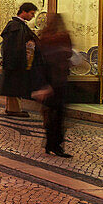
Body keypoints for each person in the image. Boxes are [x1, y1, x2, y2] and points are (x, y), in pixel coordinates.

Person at [32, 13, 74, 157]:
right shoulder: (62, 37)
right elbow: (68, 54)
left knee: (51, 113)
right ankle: (55, 145)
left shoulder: (44, 37)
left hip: (50, 81)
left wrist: (42, 84)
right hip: (58, 81)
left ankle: (51, 144)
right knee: (58, 114)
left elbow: (39, 61)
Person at [0, 2, 38, 118]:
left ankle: (12, 108)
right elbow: (14, 47)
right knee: (14, 86)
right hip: (15, 63)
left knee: (14, 86)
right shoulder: (16, 26)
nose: (33, 16)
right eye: (31, 13)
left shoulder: (18, 26)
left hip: (14, 63)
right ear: (24, 12)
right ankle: (14, 109)